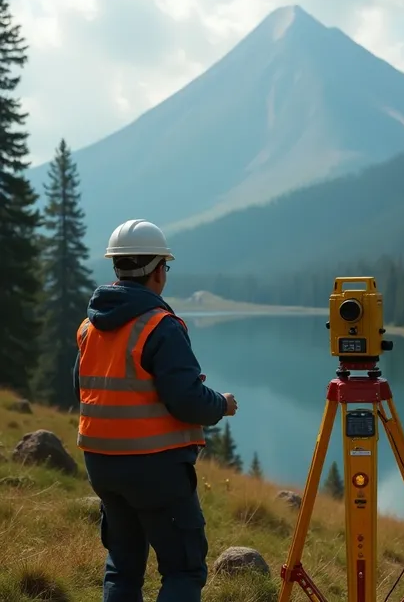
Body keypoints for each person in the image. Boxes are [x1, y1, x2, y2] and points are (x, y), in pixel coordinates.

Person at [73, 218, 238, 602]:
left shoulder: (89, 328)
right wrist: (222, 405)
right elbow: (187, 402)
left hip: (101, 464)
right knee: (183, 569)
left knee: (123, 565)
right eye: (165, 265)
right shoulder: (160, 325)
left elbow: (86, 389)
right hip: (155, 468)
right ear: (158, 271)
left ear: (117, 267)